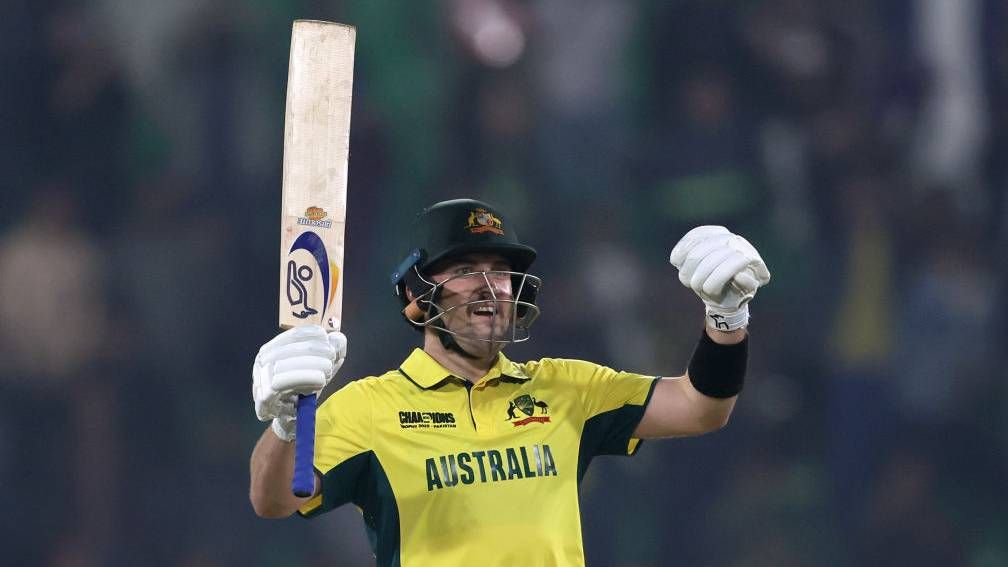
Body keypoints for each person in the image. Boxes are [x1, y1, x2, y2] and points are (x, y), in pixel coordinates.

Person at [249, 198, 770, 566]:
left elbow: (702, 408)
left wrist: (726, 319)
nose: (490, 285)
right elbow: (272, 501)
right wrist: (286, 427)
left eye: (501, 270)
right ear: (415, 295)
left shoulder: (566, 390)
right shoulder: (368, 407)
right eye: (466, 268)